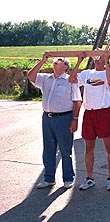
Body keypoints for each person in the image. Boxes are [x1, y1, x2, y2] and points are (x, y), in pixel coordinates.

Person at [28, 53, 82, 189]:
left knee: (65, 150)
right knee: (48, 149)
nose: (55, 62)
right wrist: (42, 61)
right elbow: (31, 76)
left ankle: (68, 178)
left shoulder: (71, 80)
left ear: (65, 66)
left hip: (64, 118)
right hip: (47, 118)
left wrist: (75, 119)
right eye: (55, 60)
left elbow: (77, 102)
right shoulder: (46, 78)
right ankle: (49, 178)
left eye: (60, 60)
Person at [69, 53, 110, 191]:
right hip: (89, 113)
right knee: (89, 147)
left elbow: (109, 80)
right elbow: (72, 79)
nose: (97, 57)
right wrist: (79, 61)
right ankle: (89, 178)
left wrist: (106, 61)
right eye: (95, 54)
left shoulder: (107, 72)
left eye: (100, 54)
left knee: (109, 147)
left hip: (104, 112)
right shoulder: (87, 73)